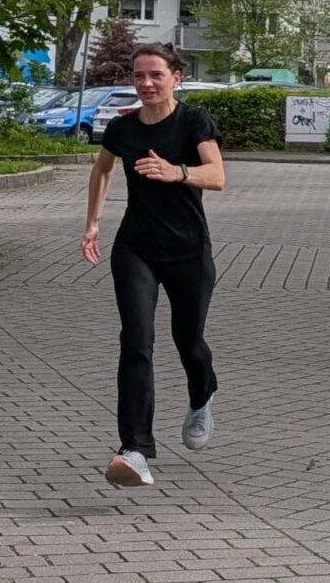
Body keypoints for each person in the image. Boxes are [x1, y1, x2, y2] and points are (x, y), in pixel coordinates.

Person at [81, 43, 226, 487]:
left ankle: (202, 393)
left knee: (189, 341)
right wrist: (92, 224)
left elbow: (217, 175)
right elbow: (102, 170)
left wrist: (177, 172)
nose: (146, 83)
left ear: (175, 78)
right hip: (136, 249)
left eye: (156, 75)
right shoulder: (122, 129)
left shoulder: (193, 121)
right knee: (136, 341)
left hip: (188, 251)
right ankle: (135, 449)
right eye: (139, 75)